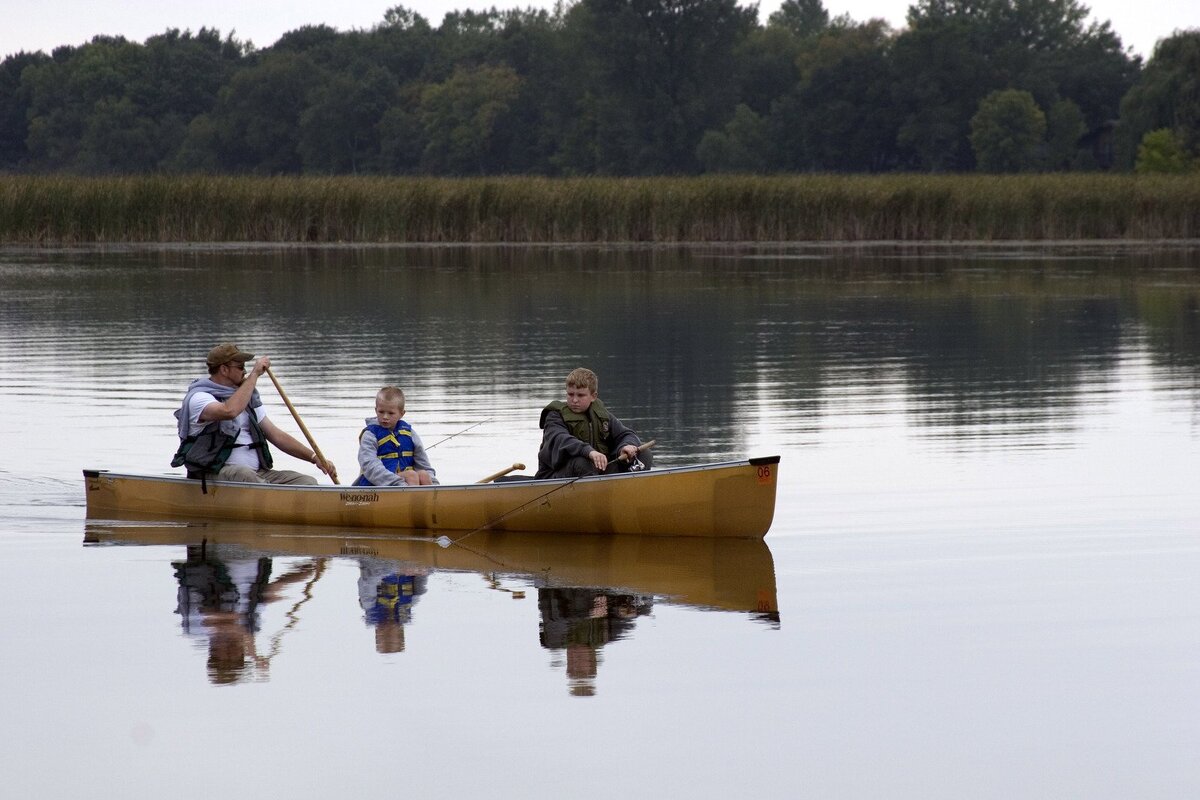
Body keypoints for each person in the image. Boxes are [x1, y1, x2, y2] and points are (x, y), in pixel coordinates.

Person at [172, 342, 337, 485]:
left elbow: (276, 435)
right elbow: (229, 411)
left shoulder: (247, 397)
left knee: (307, 482)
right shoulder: (199, 397)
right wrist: (255, 374)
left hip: (257, 475)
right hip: (214, 472)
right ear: (223, 369)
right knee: (246, 475)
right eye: (240, 367)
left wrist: (314, 457)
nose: (244, 371)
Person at [536, 367, 652, 479]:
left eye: (580, 395)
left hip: (596, 473)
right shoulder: (555, 416)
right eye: (570, 394)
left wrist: (625, 447)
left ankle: (631, 492)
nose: (574, 400)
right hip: (556, 475)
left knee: (644, 453)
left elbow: (626, 434)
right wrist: (589, 452)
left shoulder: (601, 415)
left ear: (593, 396)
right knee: (583, 463)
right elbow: (561, 438)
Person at [352, 385, 438, 487]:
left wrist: (435, 485)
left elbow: (424, 465)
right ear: (376, 410)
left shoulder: (410, 433)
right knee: (411, 475)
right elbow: (369, 466)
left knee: (424, 474)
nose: (385, 417)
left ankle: (432, 500)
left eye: (391, 413)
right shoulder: (370, 435)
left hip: (405, 484)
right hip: (377, 485)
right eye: (381, 412)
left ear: (402, 414)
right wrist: (398, 484)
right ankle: (409, 500)